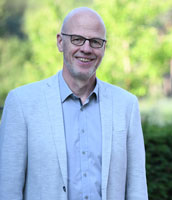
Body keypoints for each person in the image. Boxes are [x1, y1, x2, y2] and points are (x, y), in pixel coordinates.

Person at [0, 7, 148, 200]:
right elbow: (8, 189)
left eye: (95, 42)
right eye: (77, 39)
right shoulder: (21, 103)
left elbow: (137, 188)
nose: (86, 48)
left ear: (104, 47)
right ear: (61, 42)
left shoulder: (126, 105)